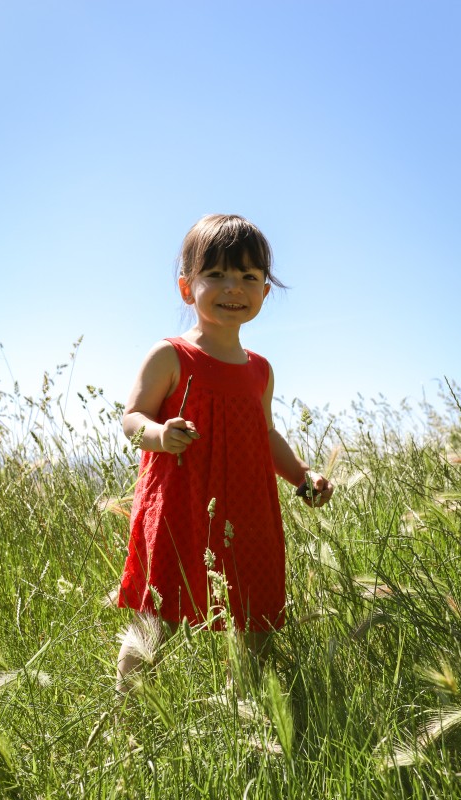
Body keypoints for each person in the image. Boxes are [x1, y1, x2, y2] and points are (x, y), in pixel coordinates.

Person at [116, 213, 334, 692]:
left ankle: (246, 709)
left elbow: (265, 434)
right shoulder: (170, 355)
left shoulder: (260, 370)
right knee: (158, 614)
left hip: (249, 509)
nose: (233, 286)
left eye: (248, 277)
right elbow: (131, 419)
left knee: (254, 614)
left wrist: (302, 475)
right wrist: (158, 434)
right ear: (186, 287)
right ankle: (128, 714)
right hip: (180, 507)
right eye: (215, 274)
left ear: (264, 292)